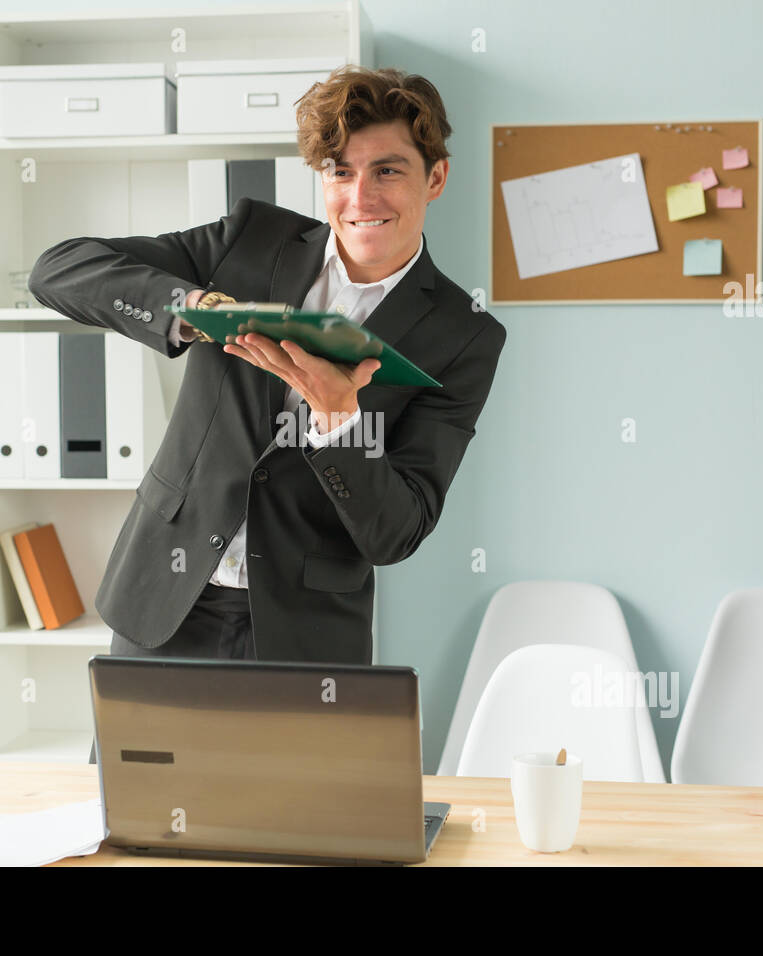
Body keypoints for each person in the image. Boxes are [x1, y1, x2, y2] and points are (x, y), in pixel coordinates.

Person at [28, 65, 506, 705]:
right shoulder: (250, 242)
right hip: (166, 600)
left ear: (436, 177)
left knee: (284, 810)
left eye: (387, 170)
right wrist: (193, 306)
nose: (360, 197)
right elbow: (59, 269)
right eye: (340, 172)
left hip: (305, 637)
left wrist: (341, 421)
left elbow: (397, 532)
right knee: (138, 804)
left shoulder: (465, 334)